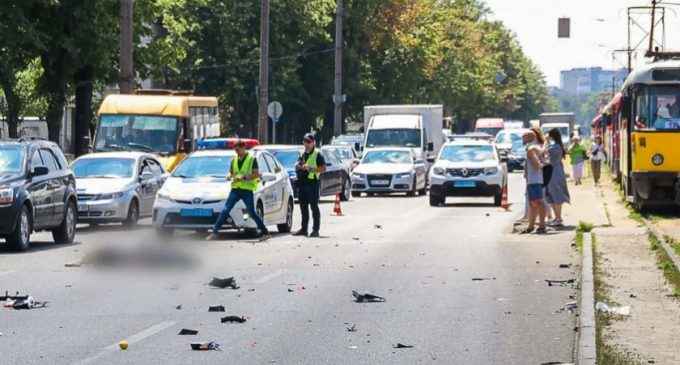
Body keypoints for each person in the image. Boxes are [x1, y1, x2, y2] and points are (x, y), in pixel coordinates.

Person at [208, 141, 269, 240]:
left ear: (243, 148)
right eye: (235, 150)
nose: (236, 152)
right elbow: (231, 173)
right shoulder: (234, 160)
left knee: (251, 212)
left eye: (238, 150)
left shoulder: (252, 159)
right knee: (225, 210)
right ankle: (214, 232)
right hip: (235, 189)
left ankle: (265, 232)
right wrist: (229, 176)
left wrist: (244, 177)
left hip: (246, 190)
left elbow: (256, 174)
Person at [293, 133, 326, 238]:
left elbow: (323, 168)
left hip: (313, 184)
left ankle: (315, 230)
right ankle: (304, 229)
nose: (306, 144)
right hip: (303, 183)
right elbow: (298, 164)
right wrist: (298, 166)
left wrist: (311, 169)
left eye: (309, 142)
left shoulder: (317, 154)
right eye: (305, 141)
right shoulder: (303, 154)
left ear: (313, 143)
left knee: (314, 207)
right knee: (303, 207)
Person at [521, 129, 547, 234]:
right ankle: (531, 226)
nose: (522, 140)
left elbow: (537, 165)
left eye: (523, 138)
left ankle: (542, 225)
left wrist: (541, 164)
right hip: (535, 180)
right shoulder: (537, 147)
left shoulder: (531, 149)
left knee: (539, 202)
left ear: (529, 138)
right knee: (533, 204)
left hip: (534, 180)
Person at [545, 128, 571, 227]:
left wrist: (546, 142)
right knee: (551, 196)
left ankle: (559, 218)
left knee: (556, 195)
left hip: (554, 174)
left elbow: (546, 154)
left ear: (551, 136)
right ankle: (556, 217)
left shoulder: (555, 147)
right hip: (553, 173)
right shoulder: (556, 146)